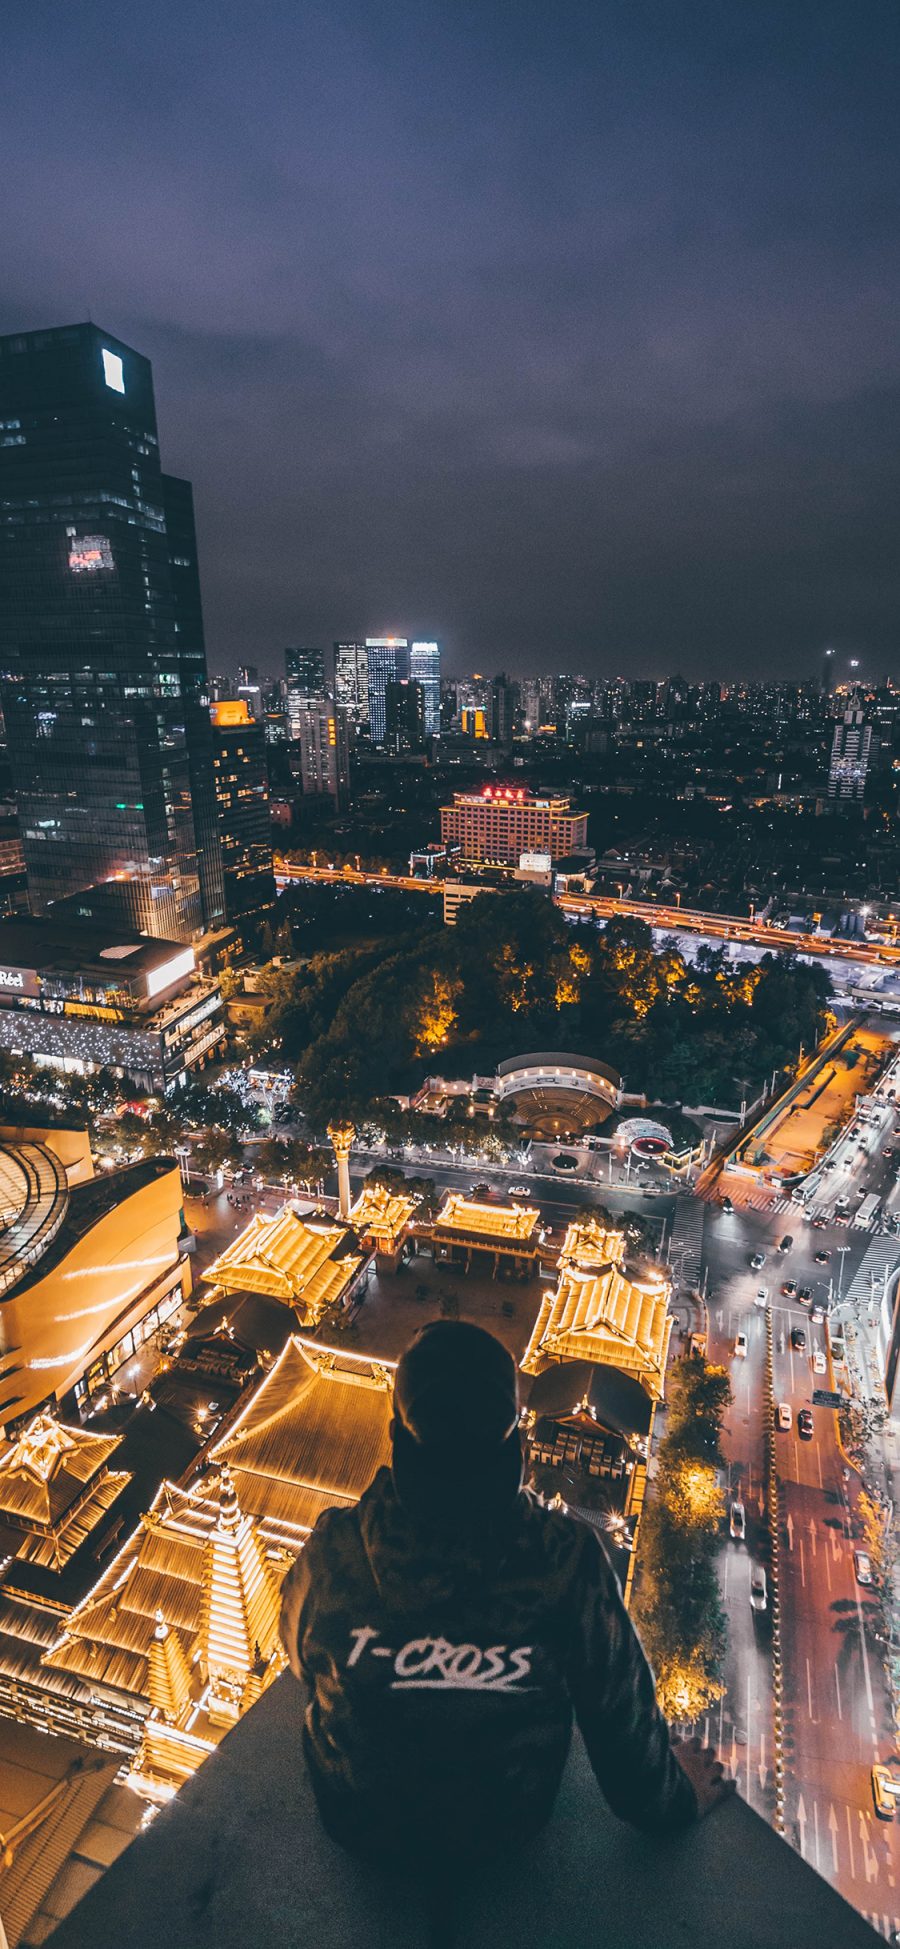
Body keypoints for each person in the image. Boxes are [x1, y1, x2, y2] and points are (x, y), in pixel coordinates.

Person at [279, 1320, 732, 1881]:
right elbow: (622, 1733)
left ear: (397, 1444)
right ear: (517, 1450)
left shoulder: (335, 1550)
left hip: (358, 1823)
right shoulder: (566, 1561)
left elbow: (299, 1654)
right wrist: (678, 1793)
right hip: (503, 1828)